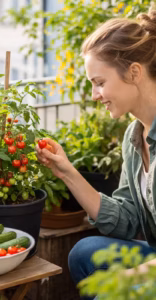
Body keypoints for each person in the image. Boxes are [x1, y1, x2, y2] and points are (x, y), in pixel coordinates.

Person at [35, 7, 156, 300]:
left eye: (100, 83)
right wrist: (66, 171)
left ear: (134, 72)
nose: (94, 95)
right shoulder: (134, 138)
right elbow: (127, 219)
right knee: (84, 254)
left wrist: (129, 279)